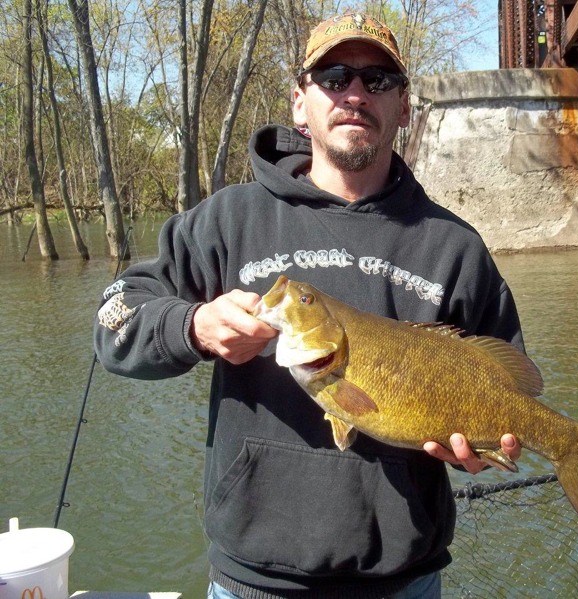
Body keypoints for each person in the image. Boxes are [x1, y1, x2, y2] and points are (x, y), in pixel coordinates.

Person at [94, 12, 526, 599]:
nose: (355, 94)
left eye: (378, 80)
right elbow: (114, 318)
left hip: (405, 583)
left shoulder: (456, 248)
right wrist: (192, 326)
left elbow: (510, 386)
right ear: (300, 102)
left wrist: (480, 448)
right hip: (252, 583)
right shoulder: (228, 220)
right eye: (334, 76)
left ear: (403, 106)